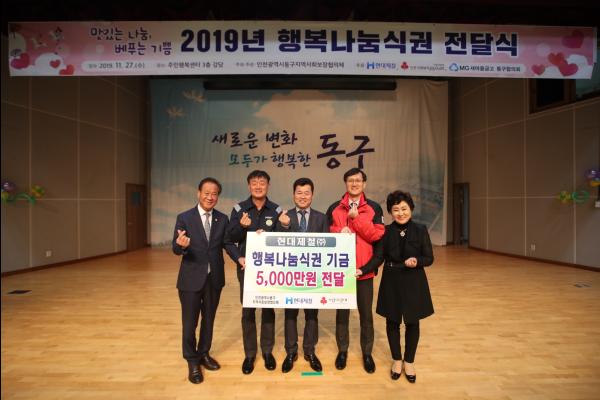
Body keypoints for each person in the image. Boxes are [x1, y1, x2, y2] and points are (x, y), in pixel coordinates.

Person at [172, 177, 237, 384]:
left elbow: (227, 243)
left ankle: (204, 353)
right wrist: (181, 245)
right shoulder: (185, 218)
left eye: (214, 194)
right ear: (198, 193)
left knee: (208, 320)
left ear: (218, 196)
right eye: (206, 193)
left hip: (214, 278)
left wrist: (240, 258)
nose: (210, 197)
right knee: (190, 323)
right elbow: (176, 248)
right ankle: (192, 361)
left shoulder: (222, 219)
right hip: (190, 280)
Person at [366, 190, 434, 383]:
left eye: (404, 208)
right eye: (396, 209)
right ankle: (397, 360)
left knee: (413, 323)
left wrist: (417, 261)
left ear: (411, 209)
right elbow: (378, 257)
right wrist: (362, 269)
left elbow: (429, 258)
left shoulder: (420, 229)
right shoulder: (385, 231)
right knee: (392, 322)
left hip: (414, 280)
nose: (400, 213)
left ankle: (409, 361)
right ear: (390, 212)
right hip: (391, 279)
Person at [326, 168, 385, 373]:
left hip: (363, 272)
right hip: (341, 272)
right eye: (350, 180)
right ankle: (342, 350)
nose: (354, 183)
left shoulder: (374, 208)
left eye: (358, 180)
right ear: (345, 183)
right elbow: (325, 235)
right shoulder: (334, 208)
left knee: (365, 315)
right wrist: (337, 231)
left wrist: (356, 219)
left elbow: (377, 236)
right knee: (341, 314)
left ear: (364, 184)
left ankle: (367, 353)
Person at [227, 170, 282, 374]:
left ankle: (267, 351)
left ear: (268, 185)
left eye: (262, 183)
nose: (258, 186)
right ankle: (250, 354)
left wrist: (270, 236)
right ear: (249, 186)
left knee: (268, 308)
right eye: (254, 183)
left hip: (269, 269)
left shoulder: (276, 210)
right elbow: (229, 239)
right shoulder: (239, 209)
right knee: (248, 310)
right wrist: (239, 254)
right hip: (247, 268)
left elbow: (282, 238)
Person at [276, 177, 329, 373]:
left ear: (312, 195)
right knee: (290, 314)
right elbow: (276, 245)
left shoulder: (321, 218)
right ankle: (291, 352)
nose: (303, 196)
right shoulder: (284, 217)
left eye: (307, 193)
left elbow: (328, 248)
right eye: (299, 193)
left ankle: (309, 351)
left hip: (314, 276)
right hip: (290, 275)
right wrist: (284, 226)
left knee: (312, 314)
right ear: (293, 195)